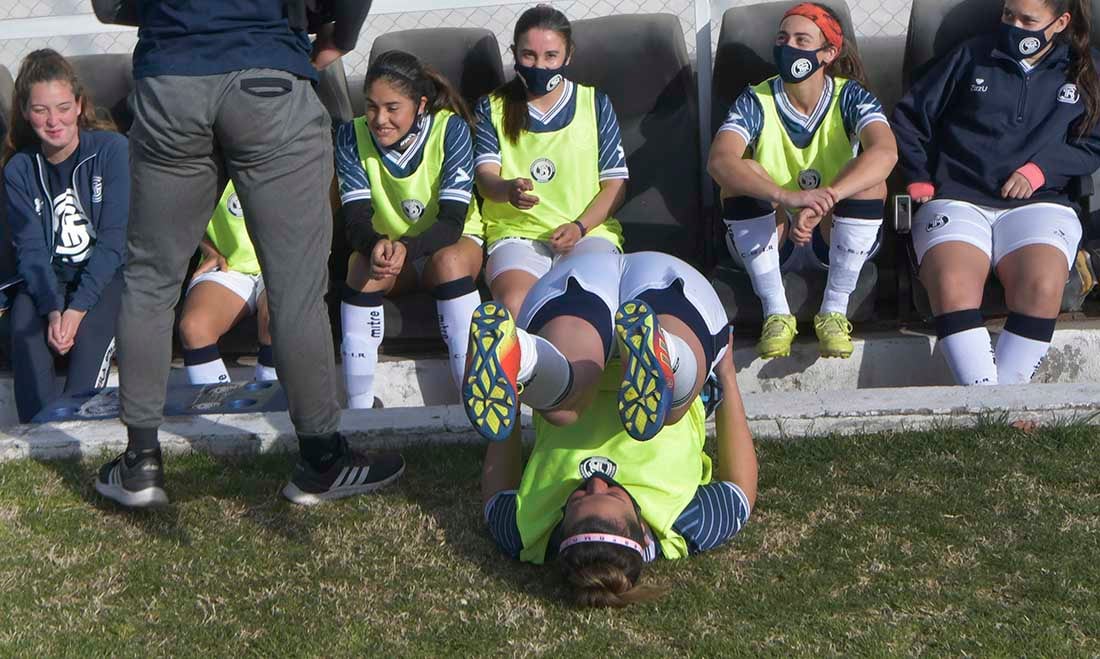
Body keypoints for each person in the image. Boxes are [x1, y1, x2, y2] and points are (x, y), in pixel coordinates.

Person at [92, 1, 403, 508]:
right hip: (269, 74)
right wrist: (336, 35)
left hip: (171, 79)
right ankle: (322, 460)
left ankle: (140, 462)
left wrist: (180, 19)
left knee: (150, 280)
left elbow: (108, 5)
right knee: (295, 287)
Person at [467, 250, 758, 607]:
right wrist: (726, 374)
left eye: (578, 496)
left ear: (560, 530)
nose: (596, 483)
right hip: (671, 291)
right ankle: (667, 354)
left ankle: (521, 360)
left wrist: (508, 401)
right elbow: (741, 492)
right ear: (644, 529)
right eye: (616, 495)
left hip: (575, 288)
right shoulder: (682, 525)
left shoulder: (528, 532)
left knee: (564, 408)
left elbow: (497, 490)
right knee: (669, 412)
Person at [893, 0, 1100, 385]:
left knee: (1042, 285)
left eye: (1028, 19)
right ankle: (994, 405)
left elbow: (1093, 143)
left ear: (1060, 23)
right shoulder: (971, 56)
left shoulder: (1085, 70)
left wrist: (1042, 169)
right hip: (957, 197)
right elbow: (909, 116)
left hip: (1040, 203)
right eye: (1009, 15)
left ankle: (994, 405)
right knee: (953, 283)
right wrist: (918, 175)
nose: (1015, 26)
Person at [708, 3, 896, 360]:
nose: (787, 46)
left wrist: (827, 198)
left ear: (828, 52)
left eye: (801, 39)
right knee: (742, 175)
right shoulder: (756, 98)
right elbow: (719, 160)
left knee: (870, 179)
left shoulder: (851, 96)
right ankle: (776, 311)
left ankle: (835, 312)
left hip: (833, 229)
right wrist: (786, 197)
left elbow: (886, 152)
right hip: (775, 231)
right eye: (782, 37)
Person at [335, 50, 484, 407]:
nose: (379, 119)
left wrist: (406, 246)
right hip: (392, 253)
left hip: (448, 245)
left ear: (420, 106)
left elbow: (451, 221)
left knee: (448, 263)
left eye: (392, 108)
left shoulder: (451, 129)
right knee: (359, 266)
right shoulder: (349, 135)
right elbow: (354, 221)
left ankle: (472, 401)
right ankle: (360, 408)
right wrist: (375, 246)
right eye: (371, 107)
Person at [474, 4, 629, 319]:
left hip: (587, 234)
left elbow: (615, 186)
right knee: (515, 305)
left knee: (587, 305)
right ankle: (527, 366)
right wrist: (507, 190)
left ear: (568, 55)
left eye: (550, 56)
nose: (539, 65)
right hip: (516, 236)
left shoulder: (594, 103)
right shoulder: (491, 107)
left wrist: (579, 227)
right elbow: (485, 179)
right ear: (514, 53)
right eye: (528, 55)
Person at [2, 49, 127, 423]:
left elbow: (114, 242)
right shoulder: (20, 169)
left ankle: (77, 434)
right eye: (40, 110)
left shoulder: (112, 151)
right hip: (49, 280)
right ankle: (38, 438)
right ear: (25, 112)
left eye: (62, 107)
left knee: (86, 350)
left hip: (107, 277)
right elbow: (31, 252)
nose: (53, 120)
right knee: (25, 331)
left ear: (78, 105)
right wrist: (54, 308)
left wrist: (76, 310)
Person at [178, 181, 276, 385]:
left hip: (281, 261)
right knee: (194, 328)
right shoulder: (200, 151)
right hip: (228, 264)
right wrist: (208, 249)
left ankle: (269, 409)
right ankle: (218, 408)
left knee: (277, 321)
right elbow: (177, 211)